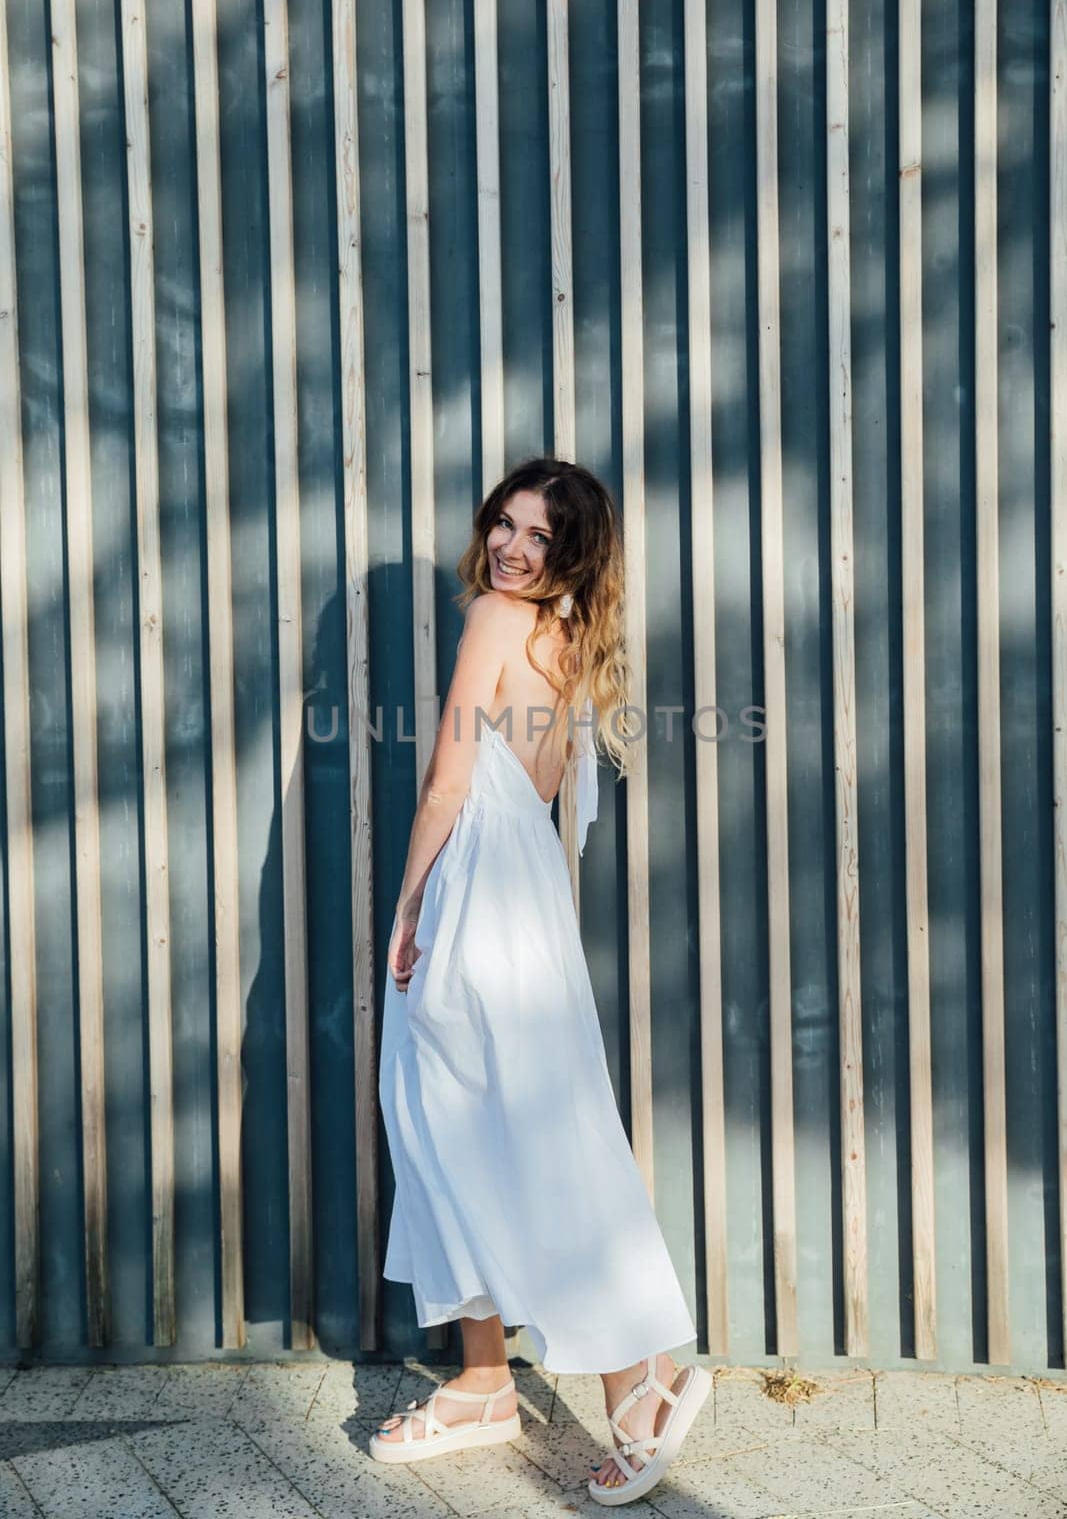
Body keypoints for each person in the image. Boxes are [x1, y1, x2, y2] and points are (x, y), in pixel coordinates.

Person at [369, 458, 710, 1504]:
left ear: (570, 552)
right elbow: (545, 791)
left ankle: (636, 1375)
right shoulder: (565, 635)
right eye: (506, 524)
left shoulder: (487, 619)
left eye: (539, 537)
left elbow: (448, 780)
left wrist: (407, 904)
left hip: (474, 890)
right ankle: (487, 1379)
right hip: (527, 905)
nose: (515, 547)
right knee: (486, 1123)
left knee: (462, 1120)